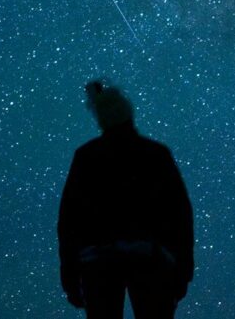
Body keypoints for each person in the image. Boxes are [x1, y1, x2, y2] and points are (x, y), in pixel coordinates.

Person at [58, 80, 194, 319]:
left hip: (98, 263)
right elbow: (180, 215)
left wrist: (70, 275)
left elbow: (70, 220)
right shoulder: (156, 155)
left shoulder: (87, 157)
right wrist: (182, 270)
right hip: (151, 259)